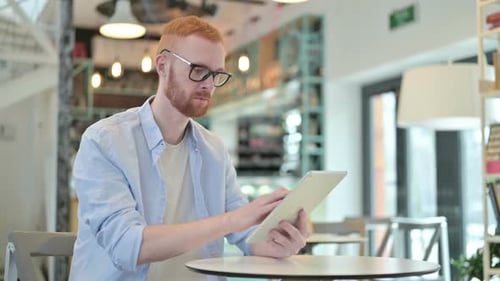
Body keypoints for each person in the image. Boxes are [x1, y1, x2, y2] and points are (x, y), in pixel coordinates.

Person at [69, 15, 310, 281]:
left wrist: (282, 241)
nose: (208, 84)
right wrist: (232, 220)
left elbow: (247, 238)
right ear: (163, 65)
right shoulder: (104, 141)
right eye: (198, 70)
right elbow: (128, 245)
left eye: (216, 74)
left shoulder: (214, 150)